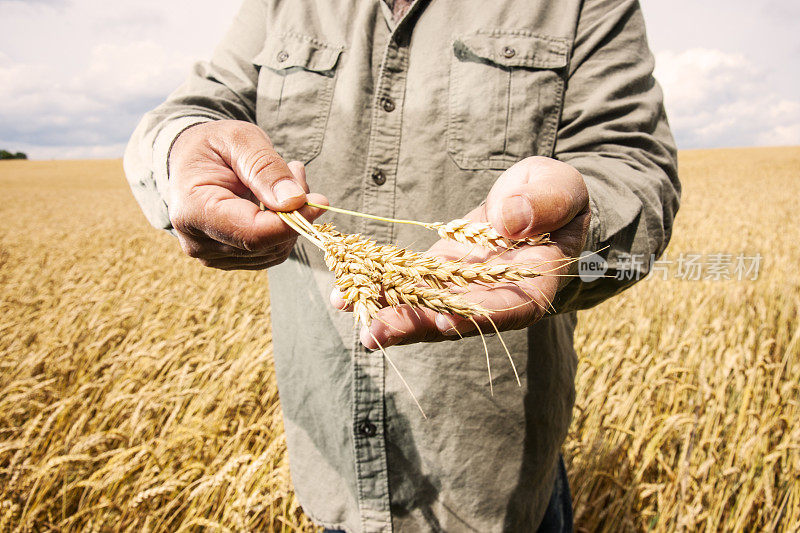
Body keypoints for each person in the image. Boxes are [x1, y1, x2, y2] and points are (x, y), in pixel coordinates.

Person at [124, 0, 680, 530]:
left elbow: (633, 162)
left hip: (494, 476)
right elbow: (196, 109)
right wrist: (182, 150)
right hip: (333, 462)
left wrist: (582, 224)